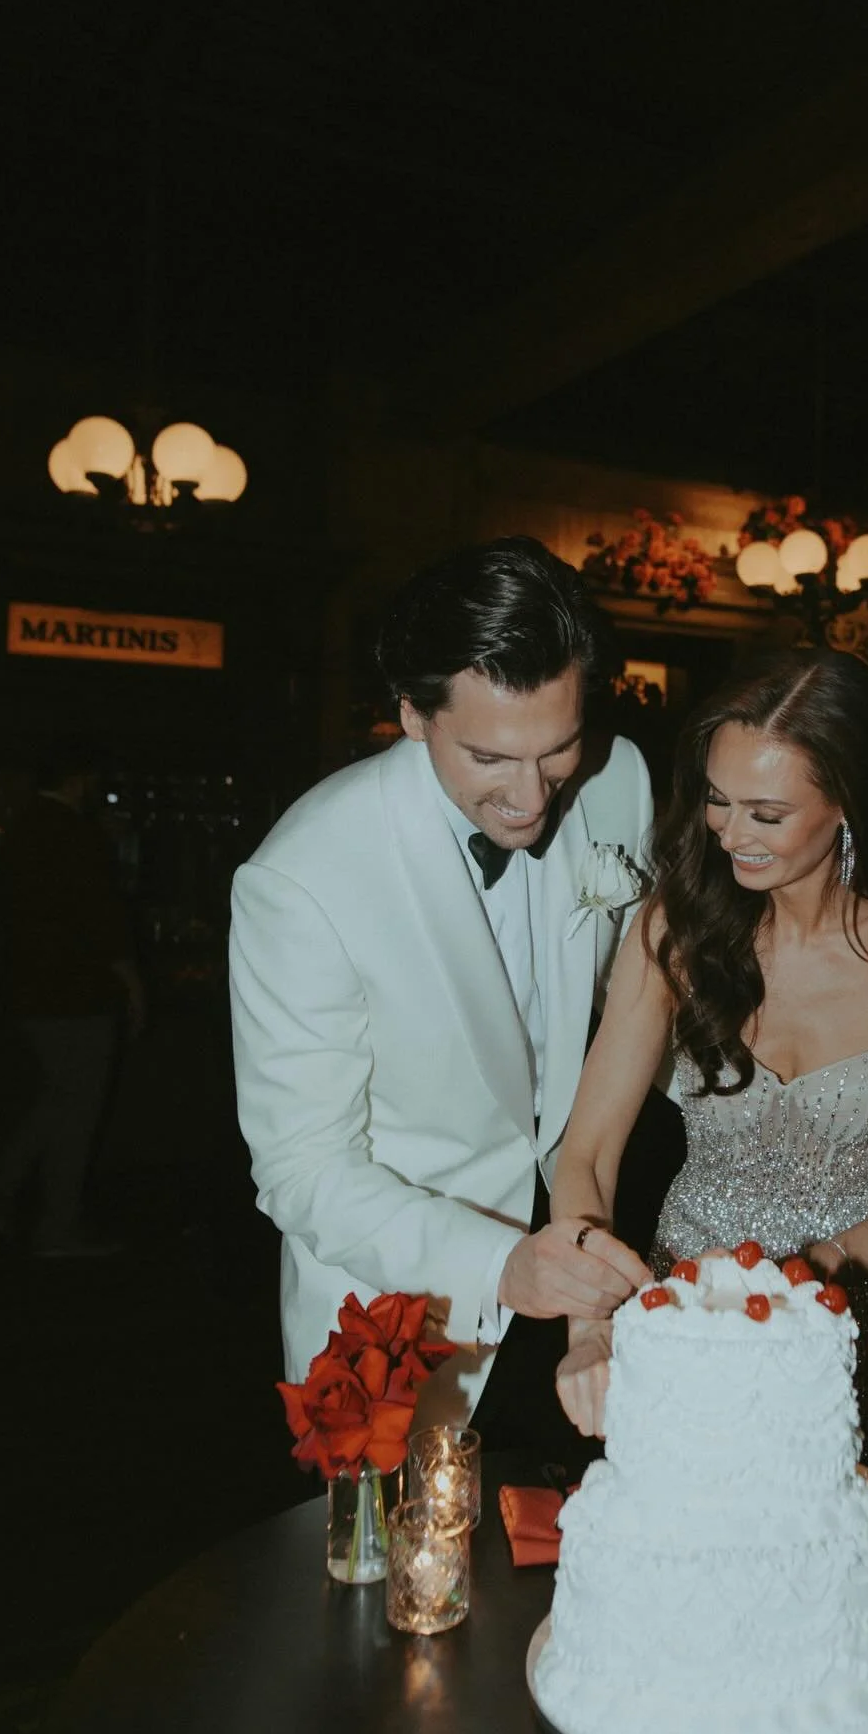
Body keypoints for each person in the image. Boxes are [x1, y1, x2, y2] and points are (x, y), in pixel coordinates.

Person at [229, 537, 655, 1448]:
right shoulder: (303, 878)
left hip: (583, 1304)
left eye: (558, 749)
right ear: (414, 716)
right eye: (490, 758)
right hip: (400, 1323)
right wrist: (502, 1266)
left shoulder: (618, 782)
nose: (531, 796)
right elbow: (303, 1168)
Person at [550, 649, 868, 1484]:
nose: (729, 833)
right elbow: (588, 1154)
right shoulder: (672, 929)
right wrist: (593, 1323)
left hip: (853, 1333)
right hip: (681, 1317)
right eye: (716, 800)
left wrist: (792, 1293)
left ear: (845, 804)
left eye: (767, 813)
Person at [0, 744, 145, 1256]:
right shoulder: (75, 835)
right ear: (80, 779)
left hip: (27, 988)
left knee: (58, 1097)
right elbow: (101, 921)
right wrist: (133, 983)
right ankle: (53, 1223)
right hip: (76, 992)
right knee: (76, 1110)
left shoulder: (22, 829)